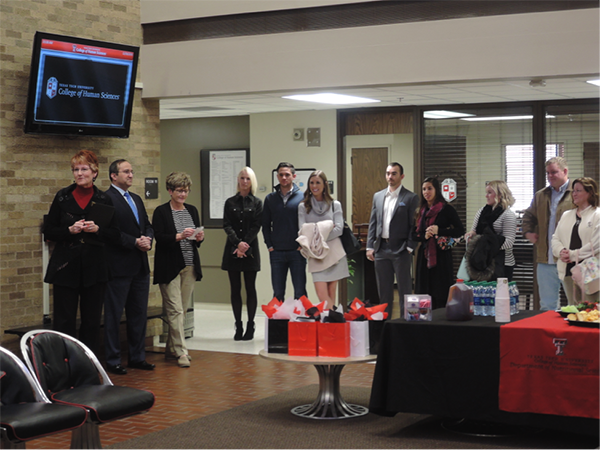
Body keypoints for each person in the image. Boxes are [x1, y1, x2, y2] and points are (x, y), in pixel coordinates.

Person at [43, 150, 119, 355]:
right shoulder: (62, 197)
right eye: (76, 169)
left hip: (94, 268)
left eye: (84, 169)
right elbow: (48, 230)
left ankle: (88, 366)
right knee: (64, 321)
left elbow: (115, 234)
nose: (79, 173)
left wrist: (98, 230)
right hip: (65, 267)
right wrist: (69, 230)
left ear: (94, 172)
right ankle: (62, 364)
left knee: (92, 321)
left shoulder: (104, 199)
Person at [103, 159, 155, 375]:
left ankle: (137, 357)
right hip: (119, 266)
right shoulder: (106, 198)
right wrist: (134, 242)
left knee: (138, 314)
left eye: (132, 171)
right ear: (113, 176)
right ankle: (113, 359)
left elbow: (147, 226)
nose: (131, 175)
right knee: (114, 316)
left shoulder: (136, 198)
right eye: (126, 172)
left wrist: (148, 239)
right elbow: (107, 232)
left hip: (140, 266)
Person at [153, 172, 204, 368]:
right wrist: (180, 236)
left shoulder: (191, 210)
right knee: (174, 309)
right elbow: (160, 237)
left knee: (181, 311)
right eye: (179, 191)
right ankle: (182, 351)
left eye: (186, 191)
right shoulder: (161, 211)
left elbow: (197, 241)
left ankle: (171, 348)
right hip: (169, 266)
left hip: (189, 264)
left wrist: (199, 238)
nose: (183, 194)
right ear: (170, 191)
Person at [366, 162, 419, 317]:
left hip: (401, 249)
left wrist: (410, 246)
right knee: (384, 291)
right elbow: (373, 222)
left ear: (401, 176)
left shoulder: (410, 197)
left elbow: (414, 225)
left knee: (404, 290)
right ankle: (385, 325)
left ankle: (405, 325)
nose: (390, 176)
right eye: (388, 173)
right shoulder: (378, 196)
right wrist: (370, 246)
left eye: (394, 173)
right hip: (381, 249)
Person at [522, 157, 574, 310]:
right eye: (548, 173)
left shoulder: (576, 193)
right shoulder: (541, 195)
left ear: (565, 171)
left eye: (554, 172)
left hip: (569, 258)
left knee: (575, 303)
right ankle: (550, 334)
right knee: (547, 304)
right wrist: (528, 233)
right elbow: (528, 216)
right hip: (545, 257)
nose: (550, 176)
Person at [221, 167, 263, 341]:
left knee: (250, 288)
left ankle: (250, 324)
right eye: (242, 178)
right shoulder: (230, 202)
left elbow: (256, 226)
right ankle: (238, 324)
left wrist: (244, 245)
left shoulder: (257, 203)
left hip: (250, 250)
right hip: (232, 249)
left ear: (252, 181)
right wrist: (237, 244)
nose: (244, 181)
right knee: (235, 289)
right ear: (238, 180)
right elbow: (227, 225)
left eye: (247, 178)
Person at [297, 170, 349, 309]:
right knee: (322, 296)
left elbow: (339, 229)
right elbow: (302, 230)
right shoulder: (303, 206)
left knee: (331, 294)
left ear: (325, 184)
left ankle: (331, 326)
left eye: (318, 182)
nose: (314, 186)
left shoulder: (335, 204)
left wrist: (314, 232)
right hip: (316, 254)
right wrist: (325, 230)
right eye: (312, 183)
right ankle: (339, 318)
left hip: (335, 253)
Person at [414, 176, 465, 310]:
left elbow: (460, 230)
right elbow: (414, 234)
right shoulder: (422, 211)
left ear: (436, 190)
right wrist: (424, 236)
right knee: (424, 291)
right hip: (424, 256)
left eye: (430, 188)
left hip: (441, 256)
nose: (426, 192)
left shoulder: (446, 209)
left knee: (440, 291)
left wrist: (439, 230)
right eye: (424, 189)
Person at [262, 162, 307, 300]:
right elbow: (265, 224)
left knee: (300, 293)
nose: (284, 177)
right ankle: (279, 321)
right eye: (281, 175)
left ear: (294, 176)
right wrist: (269, 245)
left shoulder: (303, 197)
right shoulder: (270, 198)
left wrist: (303, 245)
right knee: (278, 293)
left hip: (297, 251)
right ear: (277, 177)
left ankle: (299, 321)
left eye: (287, 175)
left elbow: (308, 224)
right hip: (277, 252)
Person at [552, 178, 600, 305]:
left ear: (590, 193)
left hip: (591, 271)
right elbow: (555, 238)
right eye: (573, 191)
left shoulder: (597, 214)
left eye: (578, 191)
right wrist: (561, 251)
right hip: (568, 269)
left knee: (591, 308)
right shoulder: (566, 214)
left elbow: (595, 245)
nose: (574, 194)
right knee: (573, 307)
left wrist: (572, 255)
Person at [464, 180, 517, 281]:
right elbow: (475, 231)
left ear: (500, 194)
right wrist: (470, 235)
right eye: (486, 192)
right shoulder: (481, 212)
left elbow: (509, 242)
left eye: (489, 192)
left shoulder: (508, 215)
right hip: (481, 261)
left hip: (502, 263)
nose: (486, 196)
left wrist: (487, 248)